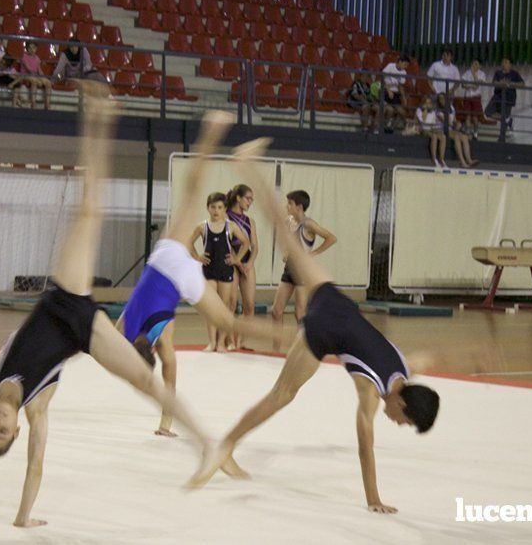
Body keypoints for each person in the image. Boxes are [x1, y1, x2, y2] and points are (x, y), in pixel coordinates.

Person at [0, 94, 218, 527]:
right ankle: (208, 443)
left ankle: (96, 117)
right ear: (15, 432)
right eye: (1, 432)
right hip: (84, 331)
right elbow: (35, 466)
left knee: (90, 208)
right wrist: (22, 518)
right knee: (146, 378)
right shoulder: (37, 410)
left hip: (62, 298)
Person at [188, 139, 442, 515]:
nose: (399, 424)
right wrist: (373, 499)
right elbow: (365, 446)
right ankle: (223, 446)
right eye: (404, 420)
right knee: (280, 396)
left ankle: (247, 164)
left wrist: (478, 353)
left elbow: (433, 356)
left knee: (285, 232)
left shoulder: (406, 367)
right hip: (323, 330)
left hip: (331, 298)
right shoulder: (372, 392)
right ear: (402, 402)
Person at [116, 111, 283, 439]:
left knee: (229, 323)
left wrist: (166, 420)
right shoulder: (121, 333)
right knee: (190, 195)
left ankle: (288, 339)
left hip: (180, 278)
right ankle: (211, 132)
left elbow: (170, 375)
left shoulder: (154, 342)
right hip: (162, 262)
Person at [271, 189, 336, 351]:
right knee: (276, 310)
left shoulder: (309, 224)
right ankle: (275, 349)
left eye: (290, 204)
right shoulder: (289, 222)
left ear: (299, 206)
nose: (287, 206)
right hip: (289, 268)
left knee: (299, 313)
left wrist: (313, 253)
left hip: (302, 271)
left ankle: (302, 350)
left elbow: (331, 238)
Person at [190, 192, 250, 352]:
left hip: (225, 271)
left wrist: (237, 259)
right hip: (208, 270)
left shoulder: (231, 226)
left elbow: (246, 243)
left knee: (223, 308)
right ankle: (212, 342)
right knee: (211, 307)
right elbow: (188, 242)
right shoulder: (202, 226)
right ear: (208, 208)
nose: (216, 211)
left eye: (220, 207)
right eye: (213, 207)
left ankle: (222, 342)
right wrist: (197, 257)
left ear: (224, 209)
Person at [226, 184, 258, 350]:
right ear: (238, 197)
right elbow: (227, 244)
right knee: (231, 303)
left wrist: (249, 263)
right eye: (248, 198)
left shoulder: (249, 221)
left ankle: (243, 341)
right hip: (231, 261)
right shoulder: (225, 217)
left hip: (246, 261)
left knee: (249, 305)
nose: (250, 202)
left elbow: (254, 247)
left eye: (252, 199)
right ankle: (230, 341)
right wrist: (238, 262)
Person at [436, 93, 477, 168]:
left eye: (443, 98)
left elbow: (454, 120)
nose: (442, 100)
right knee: (457, 137)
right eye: (440, 99)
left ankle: (469, 159)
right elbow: (445, 121)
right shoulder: (439, 110)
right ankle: (462, 161)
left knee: (464, 137)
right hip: (442, 129)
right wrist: (454, 125)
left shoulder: (451, 108)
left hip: (451, 128)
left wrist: (458, 123)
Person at [485, 58, 525, 132]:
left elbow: (522, 84)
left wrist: (511, 84)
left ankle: (504, 130)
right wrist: (501, 83)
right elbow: (494, 82)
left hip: (509, 98)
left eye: (506, 62)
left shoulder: (514, 73)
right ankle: (508, 120)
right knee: (488, 112)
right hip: (497, 96)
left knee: (505, 116)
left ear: (510, 65)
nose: (504, 64)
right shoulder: (498, 72)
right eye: (503, 62)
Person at [14, 41, 53, 110]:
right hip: (25, 76)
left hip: (35, 76)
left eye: (34, 48)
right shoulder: (24, 57)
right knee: (34, 81)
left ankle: (47, 104)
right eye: (30, 48)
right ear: (26, 48)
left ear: (36, 49)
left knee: (48, 82)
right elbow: (29, 69)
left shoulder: (37, 58)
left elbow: (39, 70)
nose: (32, 50)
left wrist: (43, 78)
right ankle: (33, 104)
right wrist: (38, 79)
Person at [380, 55, 409, 134]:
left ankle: (392, 127)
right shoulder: (390, 66)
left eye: (407, 65)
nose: (405, 67)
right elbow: (382, 79)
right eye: (405, 64)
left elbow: (400, 86)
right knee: (390, 110)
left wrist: (403, 97)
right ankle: (385, 125)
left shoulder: (404, 72)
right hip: (385, 91)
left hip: (395, 94)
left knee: (402, 112)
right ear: (399, 62)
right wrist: (389, 90)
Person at [459, 59, 487, 139]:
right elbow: (463, 85)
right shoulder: (467, 73)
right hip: (467, 97)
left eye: (476, 64)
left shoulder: (482, 74)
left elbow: (477, 85)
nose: (474, 66)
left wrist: (474, 75)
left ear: (480, 66)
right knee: (467, 116)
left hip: (476, 97)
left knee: (475, 117)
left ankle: (475, 133)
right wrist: (471, 85)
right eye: (473, 64)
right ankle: (467, 134)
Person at [416, 97, 446, 168]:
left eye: (429, 103)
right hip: (423, 129)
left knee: (443, 137)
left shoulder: (433, 111)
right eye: (426, 103)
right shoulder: (419, 110)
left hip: (432, 128)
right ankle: (434, 159)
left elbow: (434, 122)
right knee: (434, 136)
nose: (428, 104)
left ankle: (441, 159)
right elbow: (423, 120)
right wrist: (425, 109)